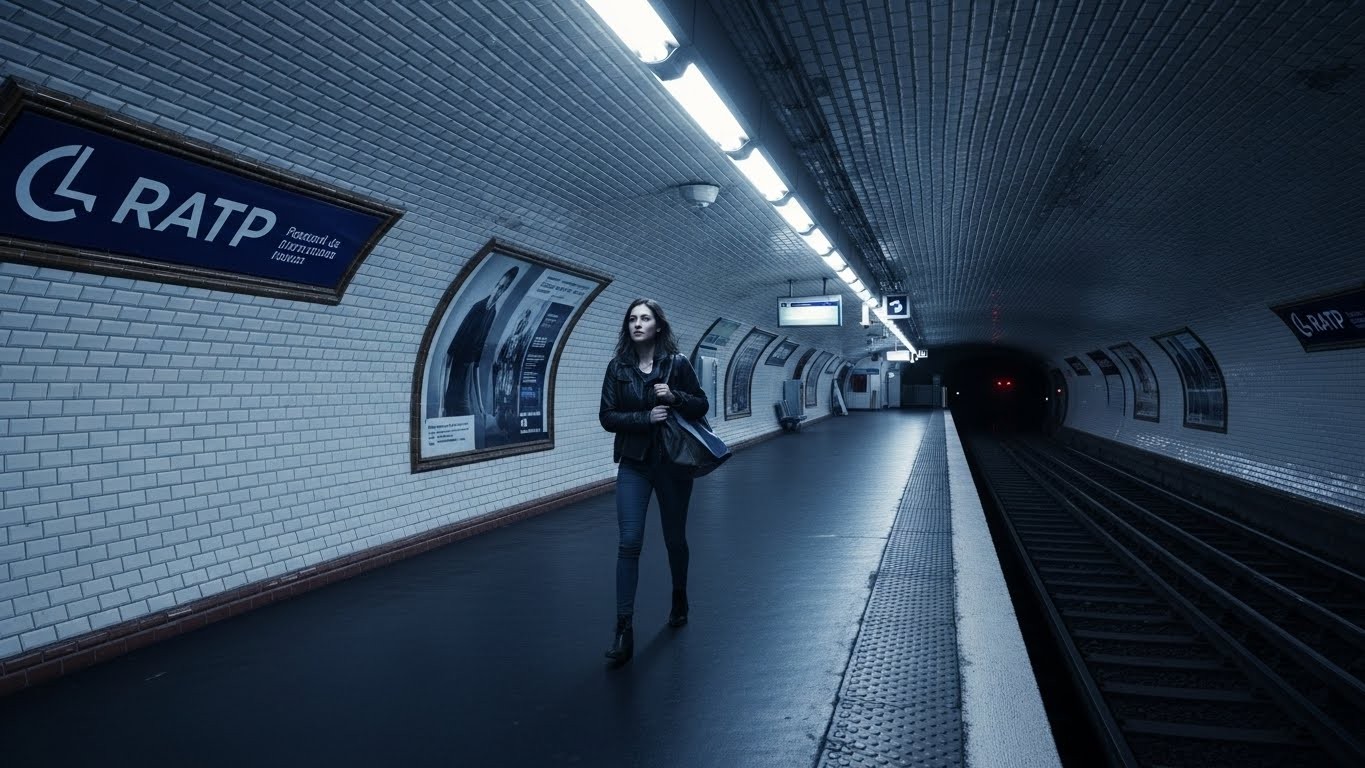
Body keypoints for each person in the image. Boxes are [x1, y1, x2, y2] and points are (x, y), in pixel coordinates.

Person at [598, 298, 709, 664]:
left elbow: (701, 404)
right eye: (632, 318)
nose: (638, 324)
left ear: (658, 326)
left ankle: (679, 596)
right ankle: (623, 628)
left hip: (672, 463)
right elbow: (608, 416)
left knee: (674, 539)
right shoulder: (618, 368)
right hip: (634, 463)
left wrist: (674, 396)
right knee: (629, 542)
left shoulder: (677, 364)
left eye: (645, 318)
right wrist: (645, 417)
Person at [443, 265, 520, 420]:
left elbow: (476, 363)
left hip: (467, 381)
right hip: (455, 381)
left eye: (503, 288)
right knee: (463, 415)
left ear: (505, 291)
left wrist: (481, 406)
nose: (498, 291)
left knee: (470, 417)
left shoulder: (492, 313)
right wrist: (441, 402)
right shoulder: (477, 308)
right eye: (498, 286)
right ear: (495, 285)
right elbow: (449, 356)